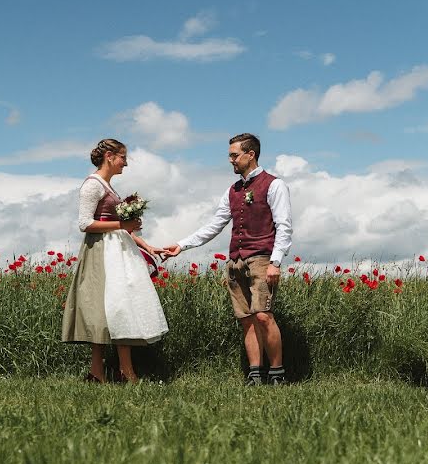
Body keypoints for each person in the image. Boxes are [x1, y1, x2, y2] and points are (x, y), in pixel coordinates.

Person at [163, 133, 292, 385]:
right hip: (236, 262)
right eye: (230, 156)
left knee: (264, 315)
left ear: (250, 154)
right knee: (246, 320)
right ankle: (255, 374)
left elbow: (284, 226)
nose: (231, 160)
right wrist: (182, 245)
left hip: (262, 259)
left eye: (235, 155)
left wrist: (276, 262)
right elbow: (215, 225)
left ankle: (278, 375)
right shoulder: (232, 191)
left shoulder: (274, 185)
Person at [61, 139, 168, 382]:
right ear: (109, 156)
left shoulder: (109, 187)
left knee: (121, 309)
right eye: (123, 157)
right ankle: (120, 371)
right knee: (109, 310)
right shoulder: (92, 185)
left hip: (118, 251)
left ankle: (101, 372)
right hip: (101, 253)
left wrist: (148, 247)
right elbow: (85, 223)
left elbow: (124, 229)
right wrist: (123, 224)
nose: (126, 163)